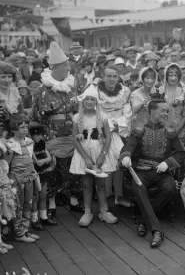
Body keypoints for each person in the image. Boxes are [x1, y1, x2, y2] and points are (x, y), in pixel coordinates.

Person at [120, 88, 185, 248]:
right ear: (152, 111)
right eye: (163, 111)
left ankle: (144, 221)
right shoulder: (139, 130)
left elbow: (180, 154)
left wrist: (168, 163)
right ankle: (156, 231)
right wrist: (126, 156)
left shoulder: (170, 132)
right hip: (142, 171)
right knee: (138, 187)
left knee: (170, 189)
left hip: (161, 171)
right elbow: (129, 146)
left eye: (167, 111)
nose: (166, 114)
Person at [32, 41, 82, 220]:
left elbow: (78, 109)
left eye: (68, 65)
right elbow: (36, 116)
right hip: (52, 134)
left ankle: (74, 200)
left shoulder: (72, 86)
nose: (68, 68)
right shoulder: (41, 89)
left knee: (74, 167)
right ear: (54, 67)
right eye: (65, 65)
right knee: (53, 169)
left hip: (71, 132)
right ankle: (52, 203)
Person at [70, 85, 119, 226]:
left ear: (96, 102)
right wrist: (85, 157)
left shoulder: (103, 117)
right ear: (83, 101)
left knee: (101, 183)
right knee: (86, 183)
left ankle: (104, 211)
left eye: (93, 99)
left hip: (99, 151)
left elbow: (108, 137)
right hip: (84, 152)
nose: (90, 102)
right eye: (87, 99)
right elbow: (75, 139)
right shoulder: (77, 117)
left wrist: (103, 154)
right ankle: (87, 211)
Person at [97, 68, 132, 207]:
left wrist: (116, 125)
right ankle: (104, 199)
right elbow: (97, 113)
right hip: (101, 132)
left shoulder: (125, 92)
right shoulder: (95, 92)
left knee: (119, 162)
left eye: (114, 76)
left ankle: (118, 196)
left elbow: (127, 114)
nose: (112, 79)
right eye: (109, 76)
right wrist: (108, 128)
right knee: (103, 163)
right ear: (103, 76)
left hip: (119, 132)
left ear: (118, 77)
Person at [6, 114, 41, 243]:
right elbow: (6, 164)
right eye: (21, 127)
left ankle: (25, 229)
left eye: (26, 127)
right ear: (14, 129)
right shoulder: (10, 144)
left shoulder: (29, 142)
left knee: (28, 204)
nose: (25, 129)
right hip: (16, 179)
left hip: (29, 178)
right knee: (18, 206)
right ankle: (18, 232)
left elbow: (31, 159)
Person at [29, 122, 58, 231]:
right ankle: (34, 219)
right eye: (37, 135)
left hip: (43, 172)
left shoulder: (42, 143)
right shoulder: (29, 146)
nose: (40, 137)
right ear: (31, 135)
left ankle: (44, 217)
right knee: (35, 197)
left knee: (43, 196)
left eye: (41, 134)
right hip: (34, 175)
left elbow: (49, 157)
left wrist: (42, 161)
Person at [161, 63, 185, 148]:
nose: (173, 78)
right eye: (170, 75)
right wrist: (167, 128)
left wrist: (177, 130)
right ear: (166, 76)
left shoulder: (183, 91)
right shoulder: (160, 91)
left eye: (176, 75)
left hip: (180, 130)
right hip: (163, 128)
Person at [0, 61, 23, 139]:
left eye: (9, 76)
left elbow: (21, 118)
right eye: (3, 77)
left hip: (15, 136)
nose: (7, 80)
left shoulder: (16, 95)